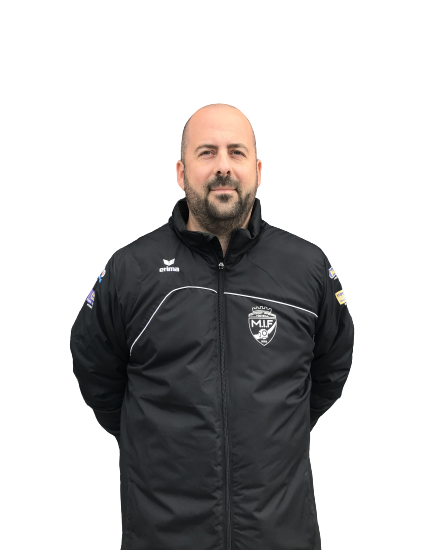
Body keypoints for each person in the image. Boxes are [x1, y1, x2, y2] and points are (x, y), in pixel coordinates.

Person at [70, 103, 355, 549]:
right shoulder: (131, 269)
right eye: (207, 152)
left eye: (236, 152)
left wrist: (281, 428)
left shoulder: (308, 266)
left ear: (257, 171)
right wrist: (143, 436)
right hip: (163, 537)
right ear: (181, 172)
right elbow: (95, 371)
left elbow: (331, 369)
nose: (223, 166)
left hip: (279, 535)